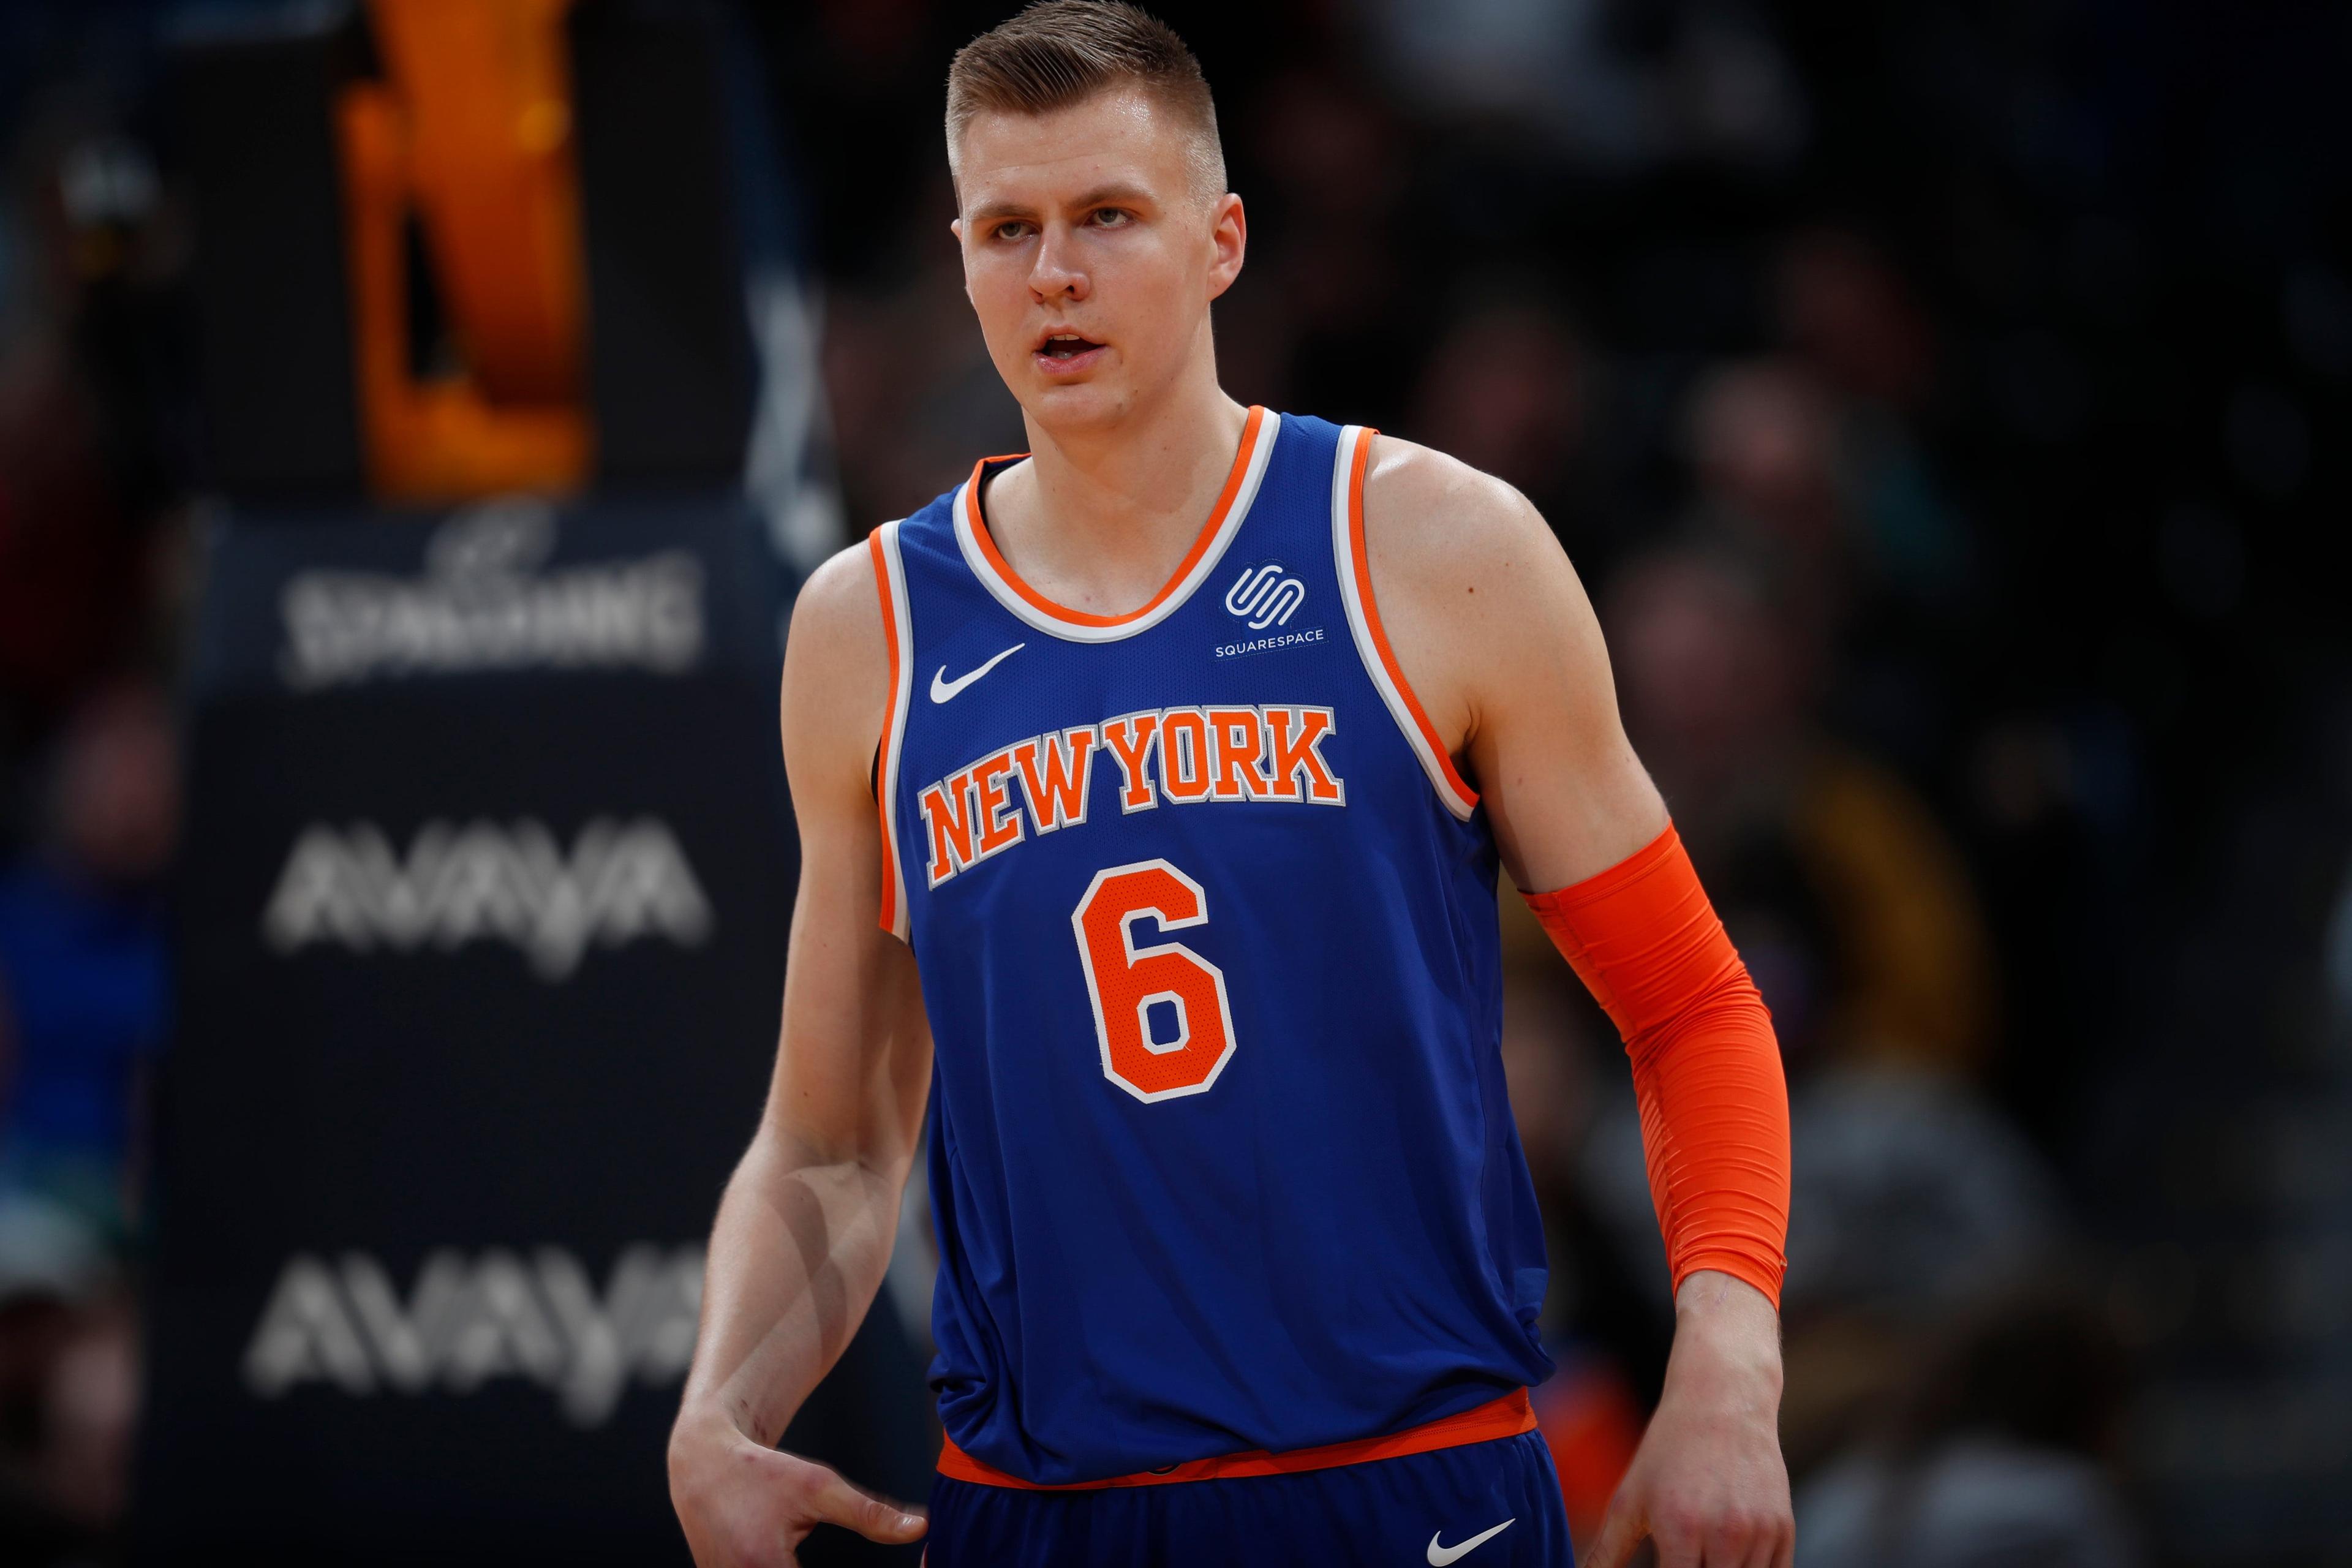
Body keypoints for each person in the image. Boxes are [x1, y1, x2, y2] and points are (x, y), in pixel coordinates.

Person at [668, 6, 1793, 1564]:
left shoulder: (1433, 551)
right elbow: (836, 1139)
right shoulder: (867, 630)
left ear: (1222, 239)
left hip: (1408, 1485)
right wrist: (719, 1406)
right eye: (1009, 229)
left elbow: (1691, 1010)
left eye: (1106, 218)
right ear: (961, 259)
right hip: (1041, 1510)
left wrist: (1729, 1369)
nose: (1054, 273)